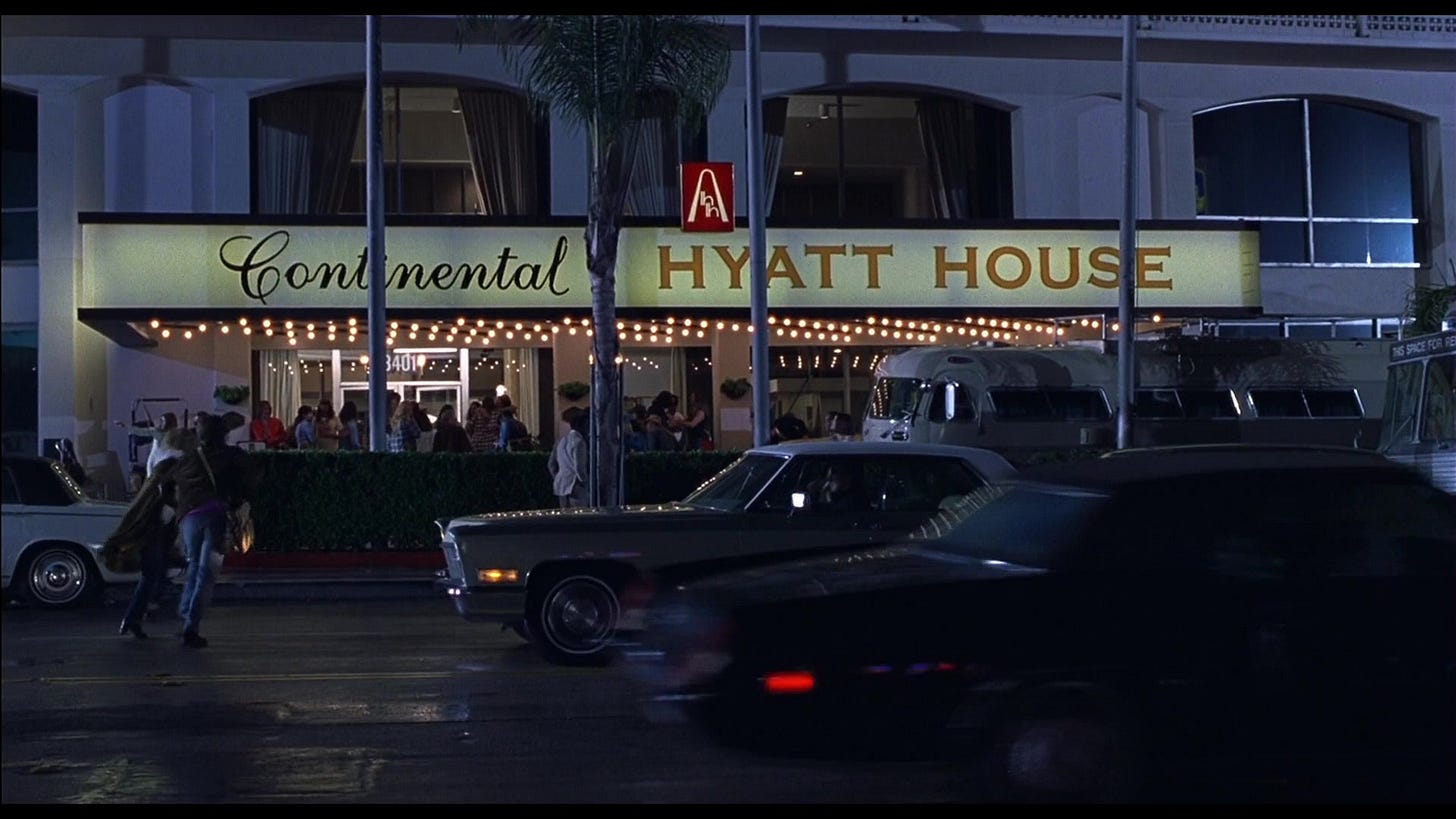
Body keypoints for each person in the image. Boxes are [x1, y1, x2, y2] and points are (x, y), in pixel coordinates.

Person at [162, 413, 259, 648]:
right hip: (216, 515)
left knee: (194, 565)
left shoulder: (188, 459)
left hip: (189, 518)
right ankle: (192, 625)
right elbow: (252, 478)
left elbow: (167, 485)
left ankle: (186, 611)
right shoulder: (232, 456)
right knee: (207, 571)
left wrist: (179, 506)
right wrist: (238, 500)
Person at [548, 408, 591, 508]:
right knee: (580, 515)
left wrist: (558, 476)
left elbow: (551, 465)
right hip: (576, 485)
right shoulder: (579, 442)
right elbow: (579, 468)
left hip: (561, 485)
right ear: (581, 426)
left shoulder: (561, 441)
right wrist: (586, 483)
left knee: (565, 515)